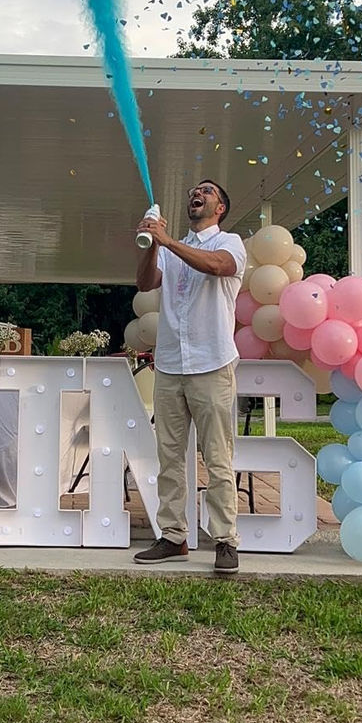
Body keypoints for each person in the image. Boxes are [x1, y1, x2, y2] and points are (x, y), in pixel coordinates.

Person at [133, 181, 246, 573]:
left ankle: (226, 541)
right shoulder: (169, 246)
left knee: (217, 457)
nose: (198, 194)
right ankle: (173, 537)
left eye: (209, 191)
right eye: (195, 191)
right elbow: (146, 283)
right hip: (169, 365)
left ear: (219, 208)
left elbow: (217, 268)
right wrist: (150, 244)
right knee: (169, 457)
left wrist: (166, 240)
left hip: (212, 364)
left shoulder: (229, 243)